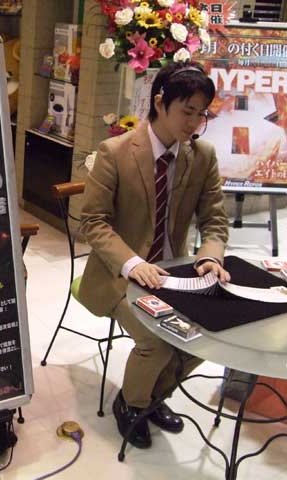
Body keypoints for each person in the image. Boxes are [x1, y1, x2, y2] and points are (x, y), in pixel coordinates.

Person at [77, 62, 230, 449]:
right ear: (160, 102)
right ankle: (131, 405)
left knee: (209, 337)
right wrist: (132, 264)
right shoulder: (116, 151)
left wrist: (211, 257)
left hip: (174, 275)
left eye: (201, 114)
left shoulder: (203, 155)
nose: (194, 123)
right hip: (117, 275)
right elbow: (92, 221)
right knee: (159, 341)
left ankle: (150, 397)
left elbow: (214, 220)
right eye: (187, 111)